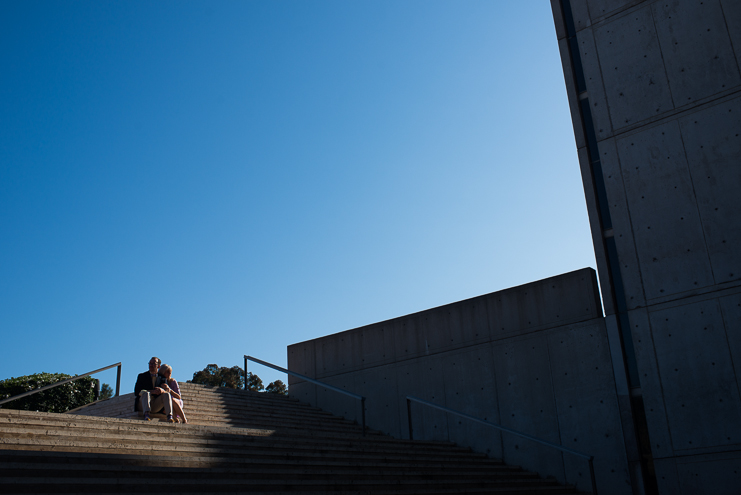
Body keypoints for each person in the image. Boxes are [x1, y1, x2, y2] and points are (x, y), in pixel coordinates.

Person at [133, 356, 174, 422]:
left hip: (155, 405)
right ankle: (146, 415)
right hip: (142, 404)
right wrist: (152, 392)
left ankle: (169, 416)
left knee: (166, 394)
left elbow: (167, 391)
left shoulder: (162, 378)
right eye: (150, 363)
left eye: (154, 364)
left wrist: (162, 391)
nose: (151, 365)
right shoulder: (142, 376)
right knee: (146, 393)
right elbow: (137, 391)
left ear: (158, 366)